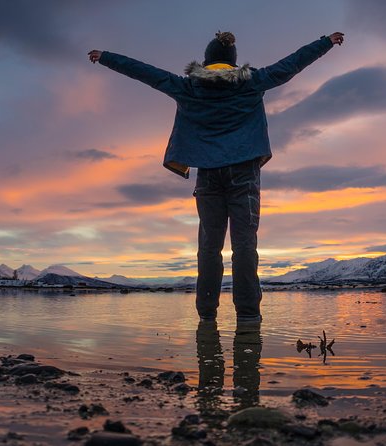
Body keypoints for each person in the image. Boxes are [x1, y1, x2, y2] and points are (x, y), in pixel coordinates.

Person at [88, 31, 344, 323]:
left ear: (207, 61)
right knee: (245, 245)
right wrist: (325, 42)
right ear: (233, 63)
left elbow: (147, 73)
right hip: (244, 175)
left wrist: (106, 57)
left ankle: (206, 316)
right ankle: (248, 317)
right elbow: (291, 64)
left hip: (208, 174)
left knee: (209, 247)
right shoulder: (251, 82)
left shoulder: (188, 86)